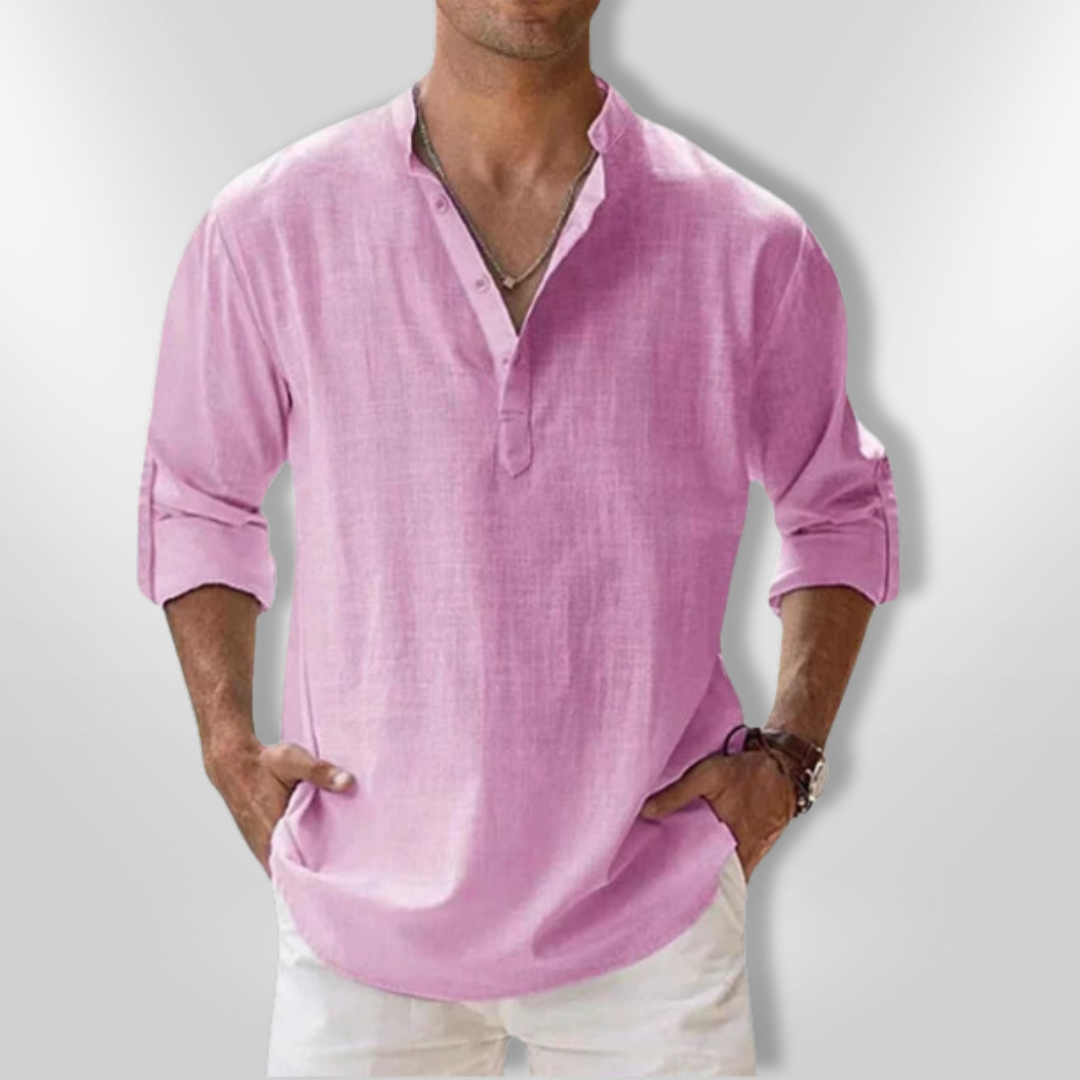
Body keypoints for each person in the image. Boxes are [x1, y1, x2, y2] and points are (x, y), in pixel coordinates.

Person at [136, 1, 900, 1074]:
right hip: (359, 919)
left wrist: (791, 759)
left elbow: (838, 507)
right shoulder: (269, 228)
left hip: (653, 923)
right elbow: (196, 495)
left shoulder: (750, 244)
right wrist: (227, 747)